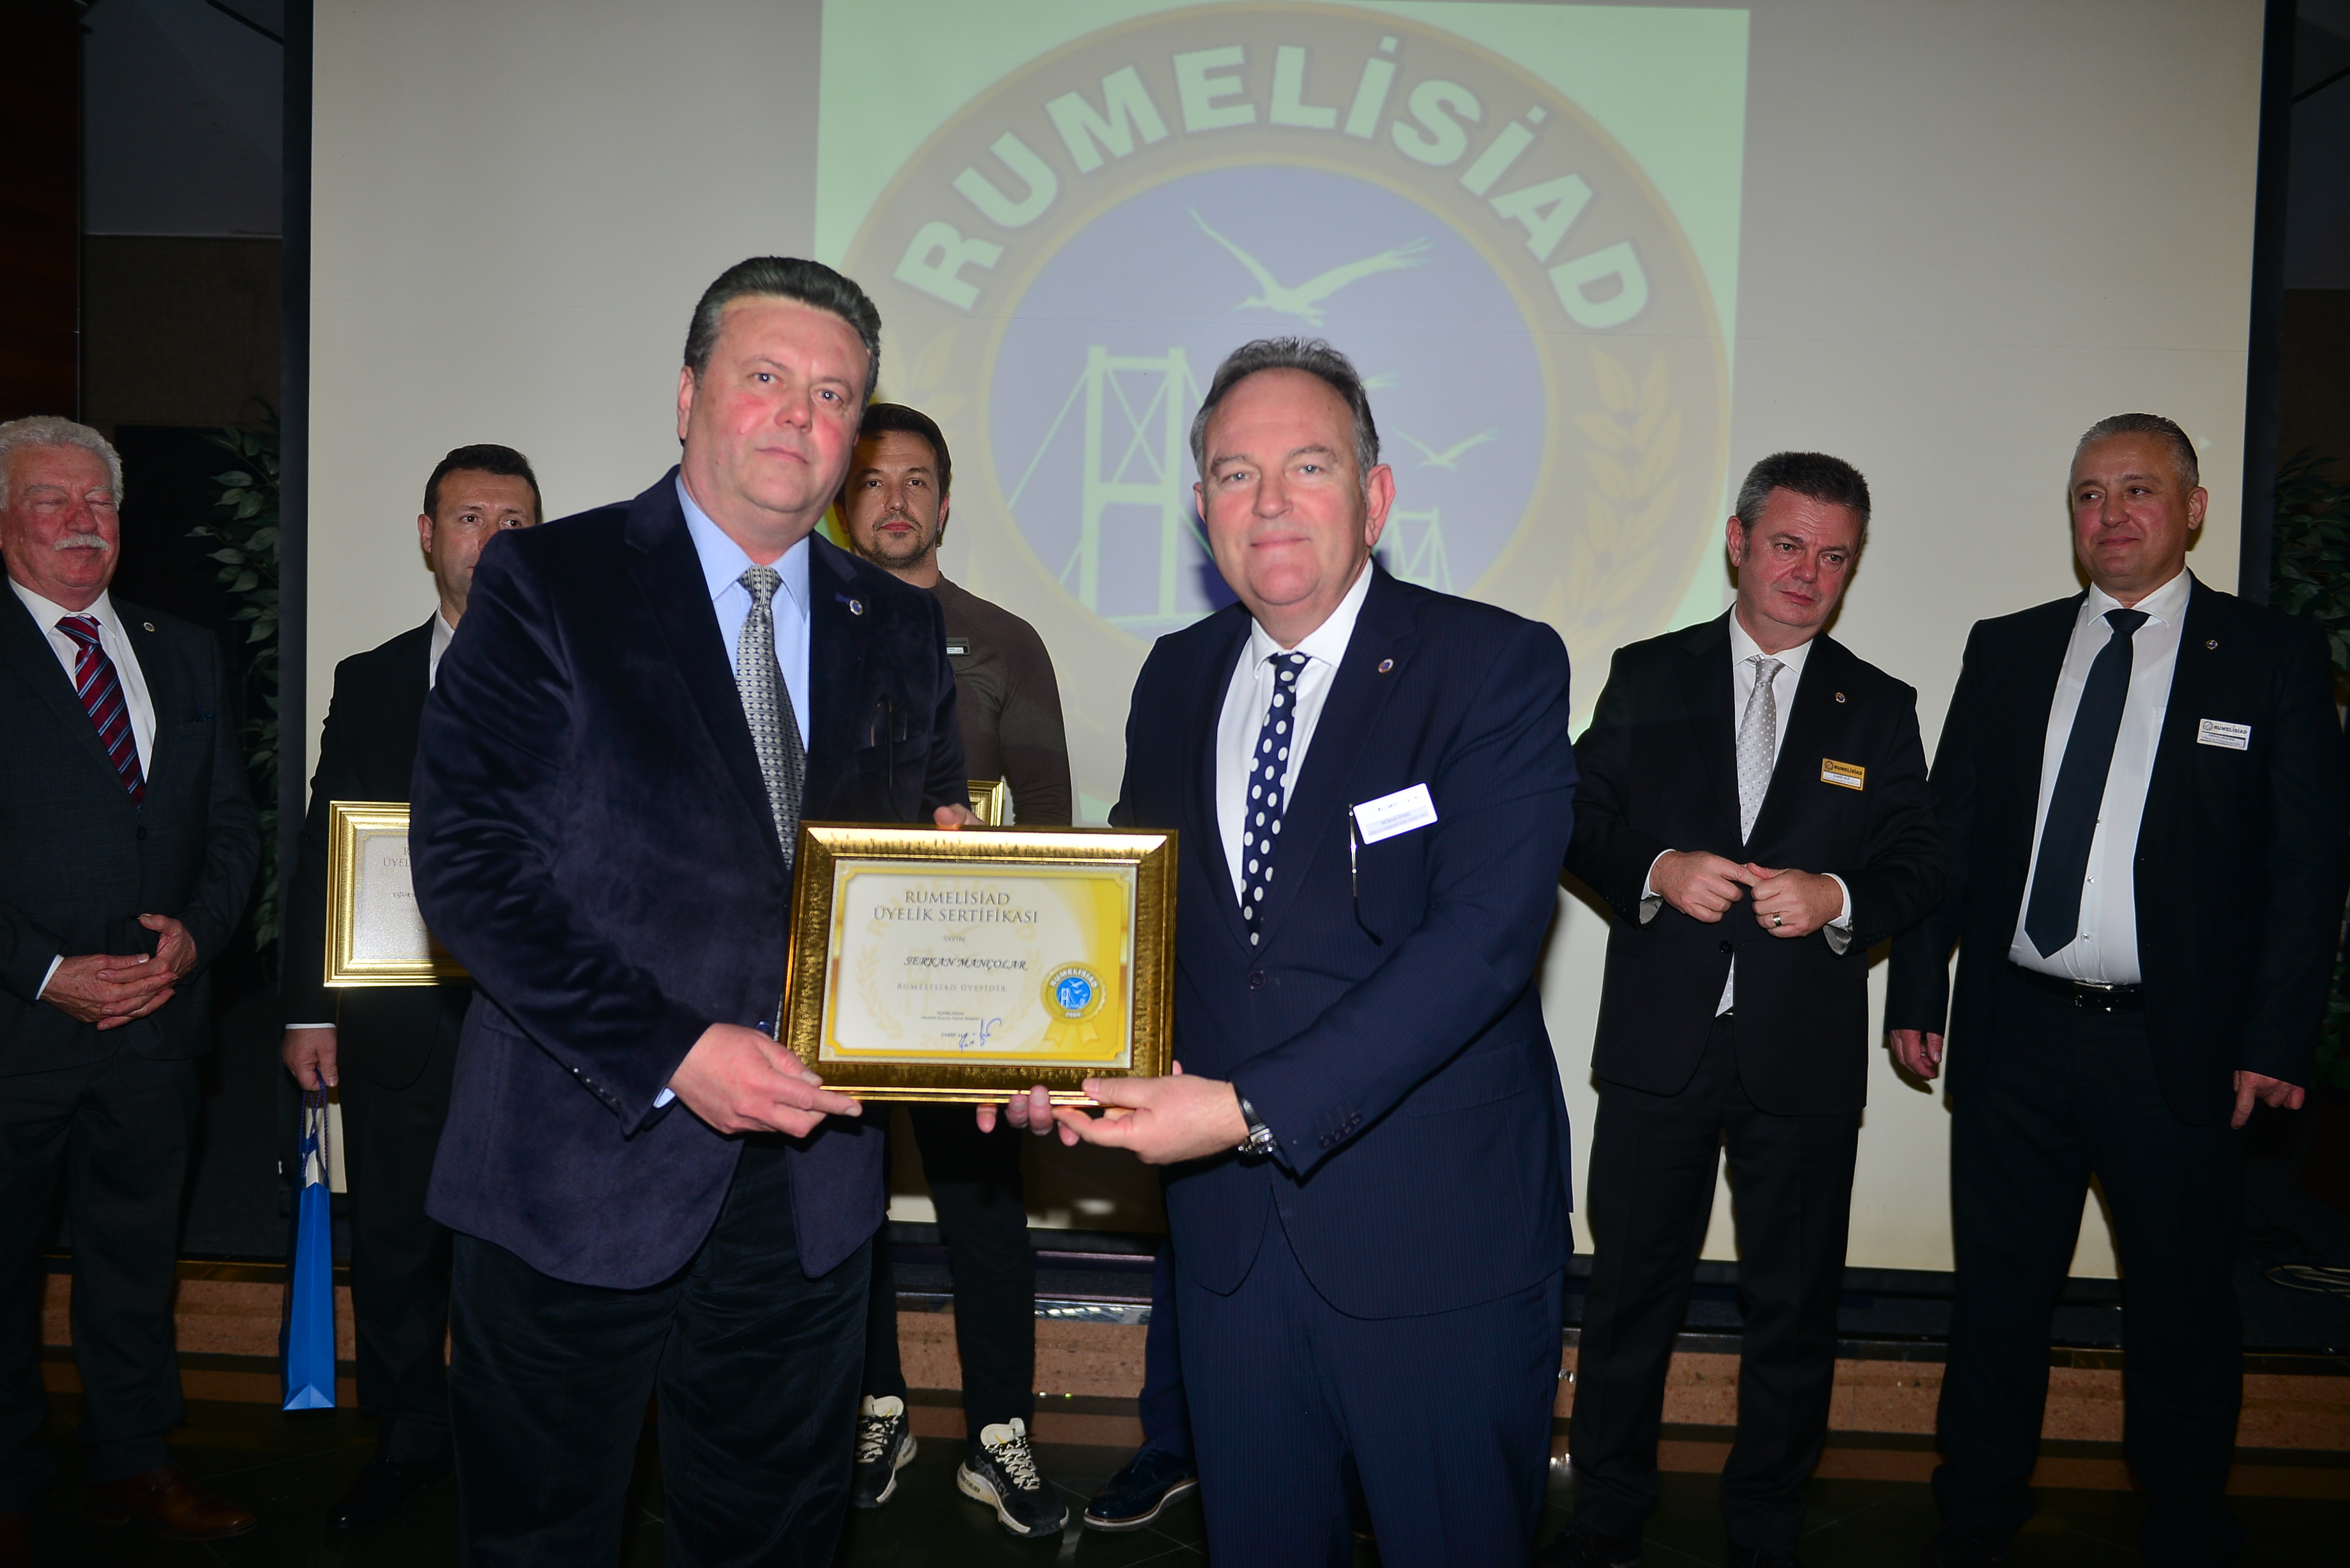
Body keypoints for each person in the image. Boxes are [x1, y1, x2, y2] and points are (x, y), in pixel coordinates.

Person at [408, 257, 976, 1567]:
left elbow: (915, 877)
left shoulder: (896, 626)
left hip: (811, 1191)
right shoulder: (549, 581)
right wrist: (674, 1050)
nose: (799, 414)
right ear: (687, 396)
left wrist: (978, 1003)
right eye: (766, 377)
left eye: (833, 394)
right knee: (540, 1542)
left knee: (773, 1542)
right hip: (575, 1169)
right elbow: (473, 873)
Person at [1020, 337, 1581, 1566]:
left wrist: (1245, 1107)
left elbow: (1482, 945)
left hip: (1434, 1240)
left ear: (1375, 497)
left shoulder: (1493, 665)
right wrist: (1032, 1032)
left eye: (1308, 466)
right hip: (1229, 1254)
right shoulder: (1176, 677)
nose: (1268, 501)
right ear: (1202, 507)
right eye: (1235, 474)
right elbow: (1143, 929)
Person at [1887, 414, 2350, 1568]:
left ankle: (2185, 1524)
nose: (2111, 514)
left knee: (2184, 1309)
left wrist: (2276, 1039)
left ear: (2193, 508)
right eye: (2090, 493)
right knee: (1998, 1301)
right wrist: (1917, 989)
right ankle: (1975, 1516)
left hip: (2177, 1049)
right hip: (2015, 1035)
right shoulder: (2008, 647)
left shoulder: (2271, 655)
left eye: (2139, 489)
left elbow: (2309, 869)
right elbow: (1948, 835)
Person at [1545, 453, 1942, 1568]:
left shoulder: (1881, 706)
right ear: (1738, 542)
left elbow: (1921, 865)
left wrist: (1837, 898)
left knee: (1794, 1313)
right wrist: (1659, 867)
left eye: (1834, 556)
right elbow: (1574, 815)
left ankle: (1766, 1526)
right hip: (1658, 1048)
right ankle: (1607, 1513)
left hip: (1802, 1057)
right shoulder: (1650, 674)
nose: (1807, 573)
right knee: (1629, 1300)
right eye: (1787, 545)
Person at [0, 416, 261, 1557]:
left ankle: (134, 1459)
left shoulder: (184, 650)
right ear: (4, 519)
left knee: (135, 1264)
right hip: (15, 1030)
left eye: (98, 501)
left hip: (156, 1029)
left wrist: (195, 942)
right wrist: (44, 971)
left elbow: (235, 829)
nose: (81, 521)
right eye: (49, 500)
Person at [278, 443, 542, 1529]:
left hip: (539, 1029)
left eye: (517, 523)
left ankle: (512, 1442)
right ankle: (407, 1438)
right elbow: (324, 849)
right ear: (429, 537)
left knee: (520, 1251)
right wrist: (307, 1005)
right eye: (472, 518)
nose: (494, 540)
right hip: (396, 1018)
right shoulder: (371, 679)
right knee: (394, 1244)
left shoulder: (589, 675)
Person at [833, 402, 1074, 1535]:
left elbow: (1057, 831)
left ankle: (998, 1432)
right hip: (837, 977)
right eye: (874, 481)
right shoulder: (803, 630)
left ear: (944, 501)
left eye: (917, 481)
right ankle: (874, 1405)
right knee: (841, 1202)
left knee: (985, 1209)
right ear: (843, 497)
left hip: (970, 987)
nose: (896, 502)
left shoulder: (1003, 641)